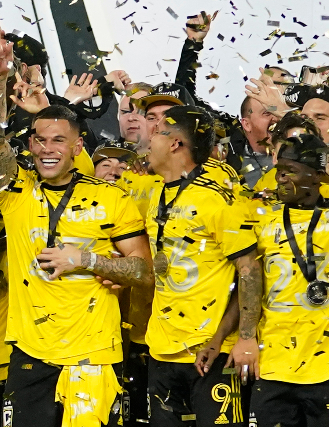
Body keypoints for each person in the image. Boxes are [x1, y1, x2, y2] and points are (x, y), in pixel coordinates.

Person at [0, 37, 152, 427]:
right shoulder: (16, 193)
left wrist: (86, 260)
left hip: (92, 354)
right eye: (40, 140)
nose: (47, 149)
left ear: (78, 146)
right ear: (30, 142)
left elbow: (143, 272)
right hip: (30, 352)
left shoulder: (110, 198)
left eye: (59, 140)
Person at [143, 106, 260, 427]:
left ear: (175, 144)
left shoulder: (218, 198)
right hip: (161, 350)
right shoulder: (154, 192)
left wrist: (245, 337)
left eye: (156, 133)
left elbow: (249, 272)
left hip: (211, 350)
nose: (148, 139)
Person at [246, 134, 329, 427]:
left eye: (289, 170)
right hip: (273, 368)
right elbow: (246, 284)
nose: (279, 178)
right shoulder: (262, 222)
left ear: (317, 176)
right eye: (278, 170)